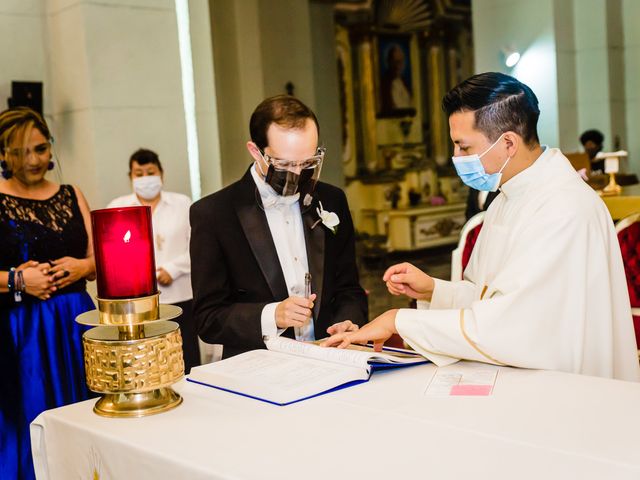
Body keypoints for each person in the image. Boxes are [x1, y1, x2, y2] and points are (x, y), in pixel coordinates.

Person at [323, 72, 640, 382]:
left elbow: (515, 327)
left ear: (508, 143)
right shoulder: (508, 196)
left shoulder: (563, 208)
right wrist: (435, 289)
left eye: (464, 147)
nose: (456, 158)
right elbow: (489, 298)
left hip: (569, 383)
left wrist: (399, 320)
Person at [190, 95, 368, 358]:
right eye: (284, 164)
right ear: (255, 151)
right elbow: (208, 318)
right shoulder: (214, 214)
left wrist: (347, 321)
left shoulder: (332, 200)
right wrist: (272, 315)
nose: (297, 173)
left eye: (308, 162)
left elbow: (348, 288)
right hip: (258, 371)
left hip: (331, 360)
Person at [0, 107, 96, 480]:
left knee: (84, 411)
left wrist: (82, 268)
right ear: (4, 154)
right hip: (19, 331)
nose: (34, 160)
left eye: (41, 149)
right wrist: (18, 280)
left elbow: (98, 258)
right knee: (28, 416)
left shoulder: (72, 194)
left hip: (75, 323)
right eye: (22, 152)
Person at [107, 148, 199, 372]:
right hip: (138, 299)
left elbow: (196, 245)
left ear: (161, 173)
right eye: (139, 173)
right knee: (147, 361)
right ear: (130, 177)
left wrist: (172, 268)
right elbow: (114, 254)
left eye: (150, 172)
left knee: (184, 356)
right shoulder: (118, 208)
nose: (145, 178)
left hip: (180, 295)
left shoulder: (182, 203)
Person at [380, 44, 413, 113]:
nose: (398, 65)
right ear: (389, 62)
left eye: (400, 62)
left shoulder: (404, 82)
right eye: (395, 62)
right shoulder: (385, 83)